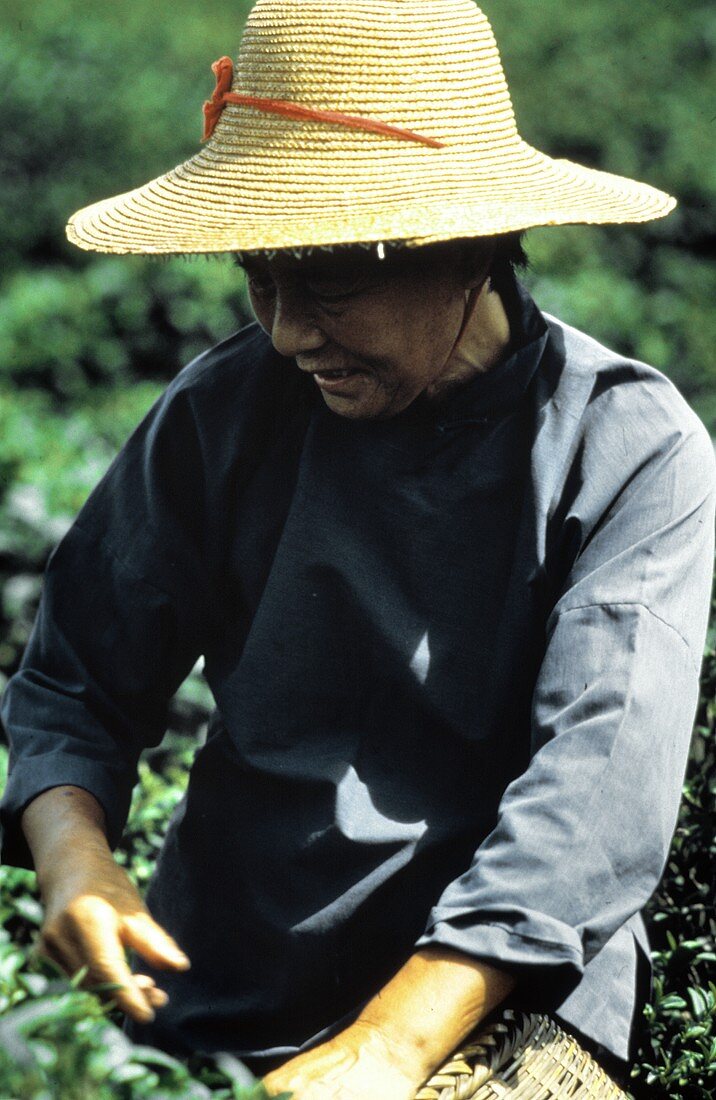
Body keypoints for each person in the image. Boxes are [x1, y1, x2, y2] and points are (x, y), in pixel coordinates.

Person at [1, 1, 713, 1096]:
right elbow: (72, 679)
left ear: (466, 244)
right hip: (213, 984)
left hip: (495, 1001)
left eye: (328, 283)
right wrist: (77, 859)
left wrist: (389, 1045)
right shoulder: (225, 412)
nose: (287, 330)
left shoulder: (625, 447)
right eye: (260, 277)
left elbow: (593, 793)